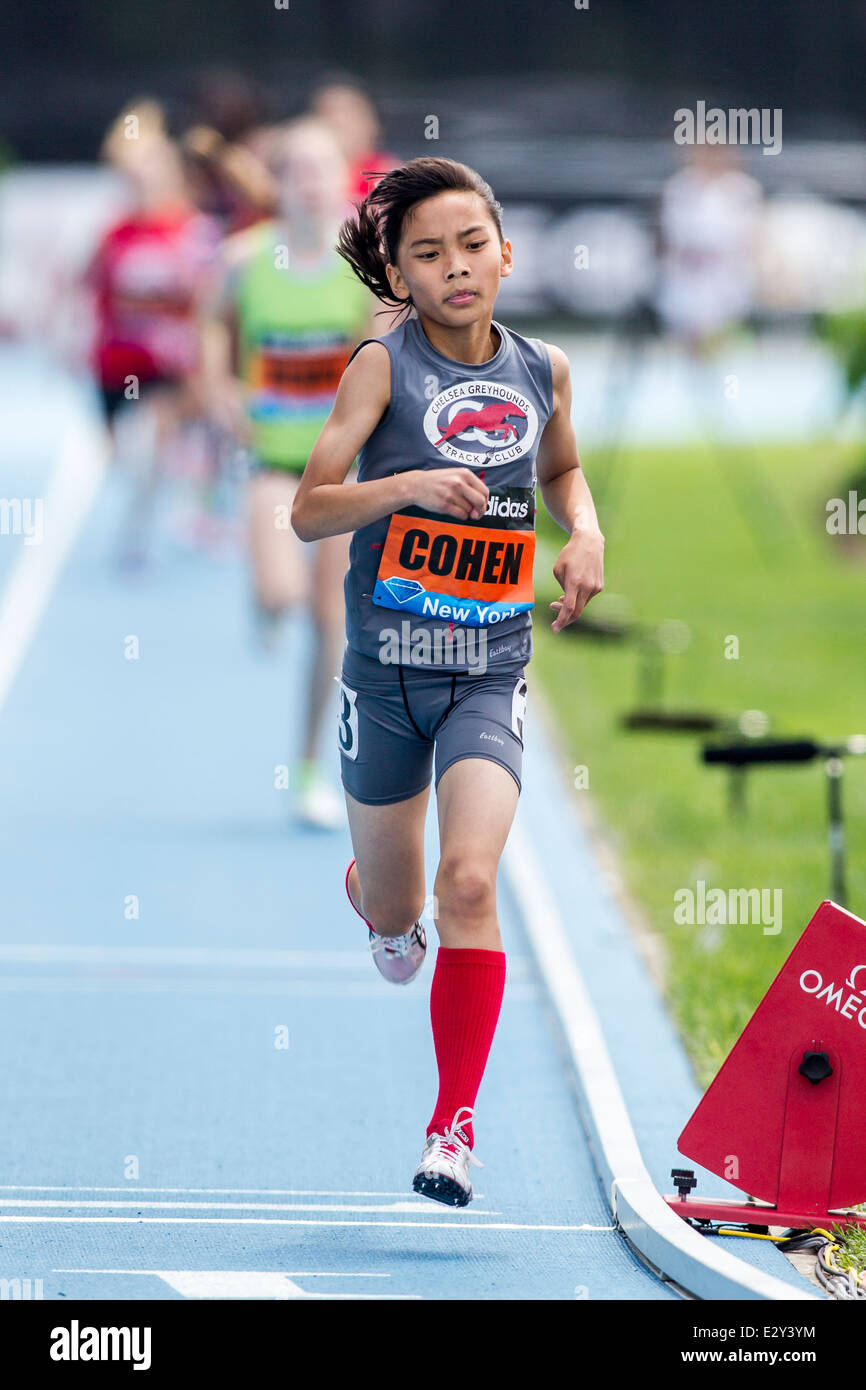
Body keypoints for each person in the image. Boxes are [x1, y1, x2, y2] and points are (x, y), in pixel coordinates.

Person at [290, 157, 605, 1204]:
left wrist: (584, 530)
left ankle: (451, 1127)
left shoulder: (542, 368)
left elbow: (557, 469)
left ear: (505, 255)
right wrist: (405, 486)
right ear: (401, 276)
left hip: (486, 667)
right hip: (386, 672)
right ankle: (380, 908)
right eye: (427, 254)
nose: (455, 267)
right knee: (399, 915)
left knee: (468, 881)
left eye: (472, 245)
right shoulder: (380, 371)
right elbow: (309, 508)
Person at [202, 117, 375, 828]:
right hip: (271, 462)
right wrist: (219, 390)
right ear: (277, 183)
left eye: (320, 168)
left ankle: (308, 766)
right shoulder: (243, 260)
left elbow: (378, 360)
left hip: (335, 471)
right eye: (293, 169)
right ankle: (265, 603)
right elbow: (209, 322)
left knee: (329, 621)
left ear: (342, 177)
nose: (307, 182)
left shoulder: (367, 268)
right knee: (280, 591)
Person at [88, 99, 220, 568]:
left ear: (174, 177)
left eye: (154, 172)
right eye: (136, 174)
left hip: (168, 371)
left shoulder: (195, 233)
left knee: (150, 444)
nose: (144, 182)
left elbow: (210, 307)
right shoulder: (113, 234)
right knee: (127, 463)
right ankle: (148, 511)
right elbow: (96, 298)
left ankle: (195, 505)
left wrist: (202, 365)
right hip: (114, 366)